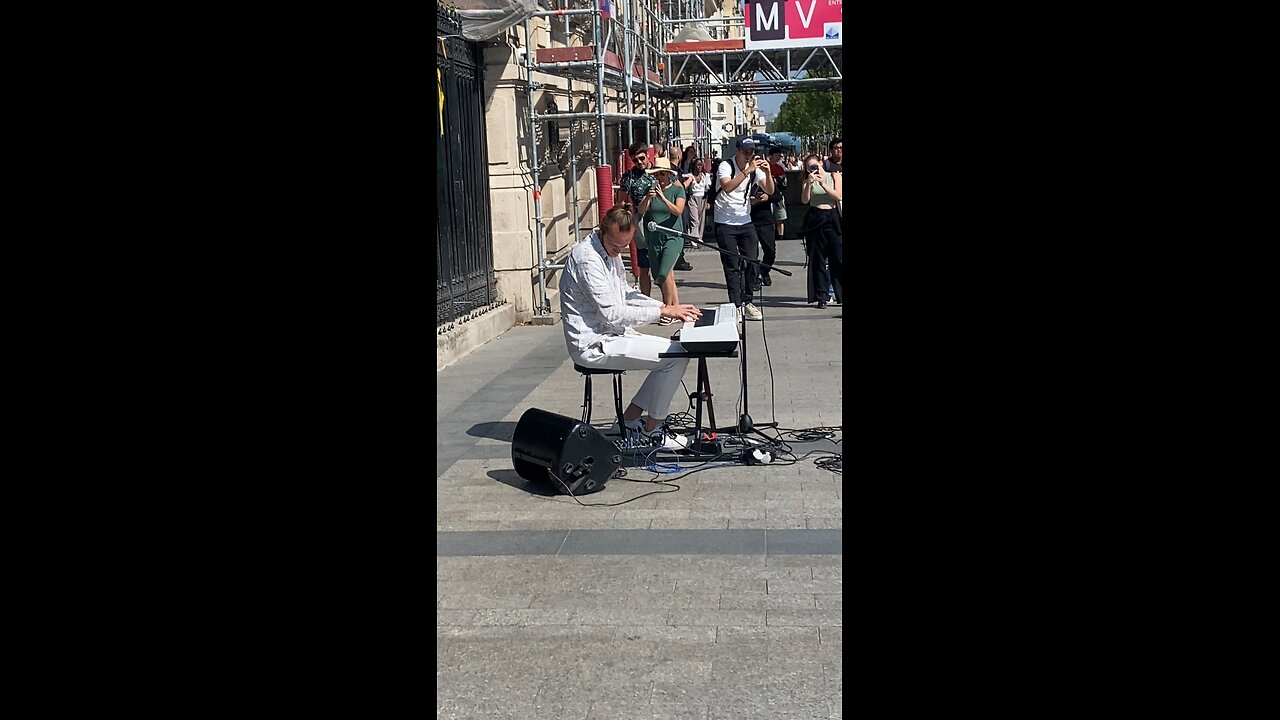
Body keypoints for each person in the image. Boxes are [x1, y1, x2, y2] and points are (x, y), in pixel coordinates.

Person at [559, 206, 703, 450]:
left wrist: (666, 306)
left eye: (624, 247)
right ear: (602, 231)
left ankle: (631, 419)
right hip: (592, 344)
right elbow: (613, 315)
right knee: (676, 356)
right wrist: (662, 311)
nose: (619, 252)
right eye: (616, 246)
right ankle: (653, 431)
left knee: (675, 352)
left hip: (611, 335)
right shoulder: (587, 260)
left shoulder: (607, 252)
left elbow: (625, 294)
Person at [712, 136, 774, 321]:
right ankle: (736, 305)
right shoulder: (726, 166)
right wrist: (748, 171)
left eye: (752, 151)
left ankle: (748, 301)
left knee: (752, 261)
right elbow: (727, 187)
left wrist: (768, 173)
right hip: (725, 222)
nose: (749, 155)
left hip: (745, 220)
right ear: (737, 151)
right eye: (746, 151)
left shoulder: (755, 169)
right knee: (732, 265)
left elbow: (770, 190)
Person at [638, 157, 687, 323]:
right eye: (656, 174)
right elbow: (641, 210)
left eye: (661, 174)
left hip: (673, 236)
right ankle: (677, 308)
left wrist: (664, 199)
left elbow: (678, 211)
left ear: (668, 175)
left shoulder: (677, 190)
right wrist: (648, 198)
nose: (658, 178)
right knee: (664, 276)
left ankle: (668, 309)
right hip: (654, 238)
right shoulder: (650, 190)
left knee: (665, 272)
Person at [800, 153, 843, 309]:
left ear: (821, 163)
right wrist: (810, 183)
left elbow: (838, 195)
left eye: (815, 165)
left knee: (837, 257)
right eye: (809, 167)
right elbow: (804, 200)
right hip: (815, 217)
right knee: (817, 259)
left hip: (832, 217)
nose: (813, 169)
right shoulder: (808, 180)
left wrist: (823, 183)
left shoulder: (834, 176)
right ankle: (821, 296)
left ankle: (840, 293)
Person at [618, 141, 658, 298]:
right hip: (640, 221)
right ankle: (646, 300)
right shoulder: (629, 177)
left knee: (663, 268)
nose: (639, 162)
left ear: (648, 155)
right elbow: (621, 202)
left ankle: (669, 305)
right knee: (644, 267)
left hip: (661, 219)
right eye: (635, 160)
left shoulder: (660, 171)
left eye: (642, 158)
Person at [680, 157, 712, 248]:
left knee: (701, 219)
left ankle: (699, 237)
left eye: (701, 165)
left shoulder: (704, 176)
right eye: (698, 165)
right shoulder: (690, 176)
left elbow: (708, 188)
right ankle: (694, 238)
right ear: (693, 166)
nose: (699, 167)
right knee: (695, 219)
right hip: (693, 198)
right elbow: (682, 178)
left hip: (702, 198)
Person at [767, 146, 788, 247]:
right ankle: (771, 235)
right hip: (768, 196)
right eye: (776, 155)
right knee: (770, 217)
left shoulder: (780, 168)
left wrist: (777, 180)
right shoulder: (765, 166)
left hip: (778, 195)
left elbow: (784, 183)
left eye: (779, 155)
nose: (778, 157)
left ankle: (781, 236)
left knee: (780, 217)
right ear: (771, 156)